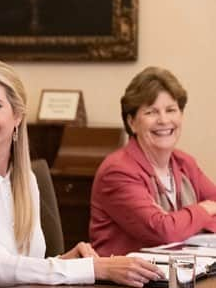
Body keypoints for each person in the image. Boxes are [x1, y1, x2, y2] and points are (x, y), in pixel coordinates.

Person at [0, 58, 162, 288]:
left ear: (17, 115)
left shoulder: (25, 178)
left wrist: (64, 260)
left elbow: (23, 265)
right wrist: (92, 268)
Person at [90, 67, 216, 256]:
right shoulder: (117, 171)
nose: (164, 120)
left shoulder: (184, 163)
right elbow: (162, 231)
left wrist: (182, 222)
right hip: (124, 283)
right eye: (151, 112)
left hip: (178, 275)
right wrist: (203, 209)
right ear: (132, 122)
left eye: (171, 110)